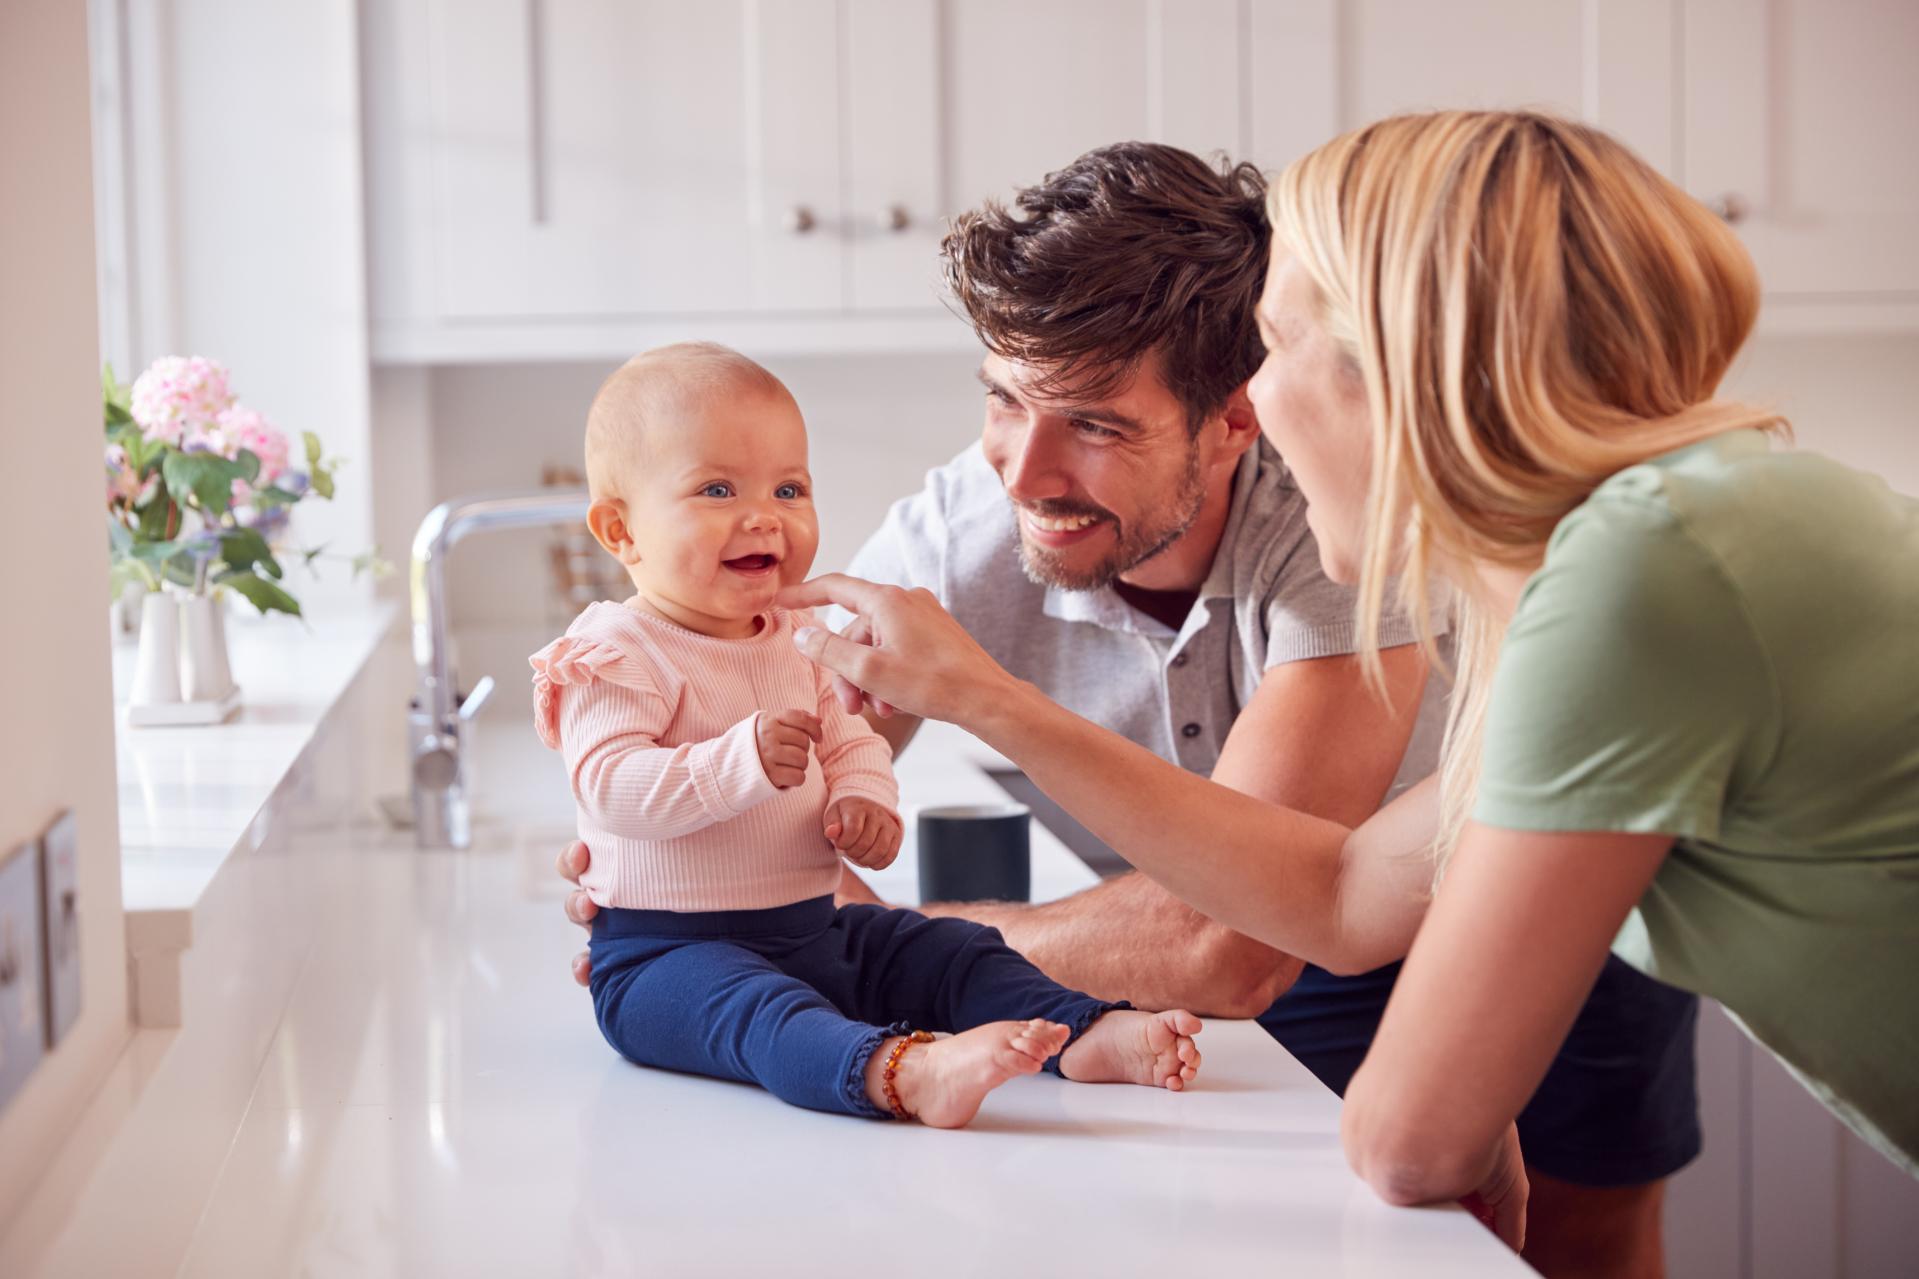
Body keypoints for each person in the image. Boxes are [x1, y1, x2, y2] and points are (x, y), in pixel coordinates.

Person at [560, 145, 1700, 1276]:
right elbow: (781, 774)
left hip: (1536, 897)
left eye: (1097, 424)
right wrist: (707, 898)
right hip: (1323, 918)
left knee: (1575, 1249)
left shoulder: (1340, 513)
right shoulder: (966, 524)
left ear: (1235, 416)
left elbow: (1227, 945)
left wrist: (889, 947)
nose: (1024, 472)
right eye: (1004, 401)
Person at [775, 111, 1919, 1233]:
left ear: (1401, 367)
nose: (1258, 403)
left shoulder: (1642, 579)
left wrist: (1439, 1098)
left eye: (1277, 345)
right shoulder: (1639, 544)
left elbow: (1399, 1136)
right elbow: (1344, 894)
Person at [536, 342, 1201, 1128]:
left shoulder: (800, 634)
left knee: (950, 947)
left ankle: (1083, 1032)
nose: (764, 515)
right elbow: (610, 787)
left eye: (789, 487)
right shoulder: (613, 650)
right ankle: (899, 1070)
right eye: (716, 489)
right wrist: (737, 761)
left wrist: (863, 797)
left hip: (814, 929)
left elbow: (850, 737)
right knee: (761, 1013)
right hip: (665, 957)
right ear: (620, 531)